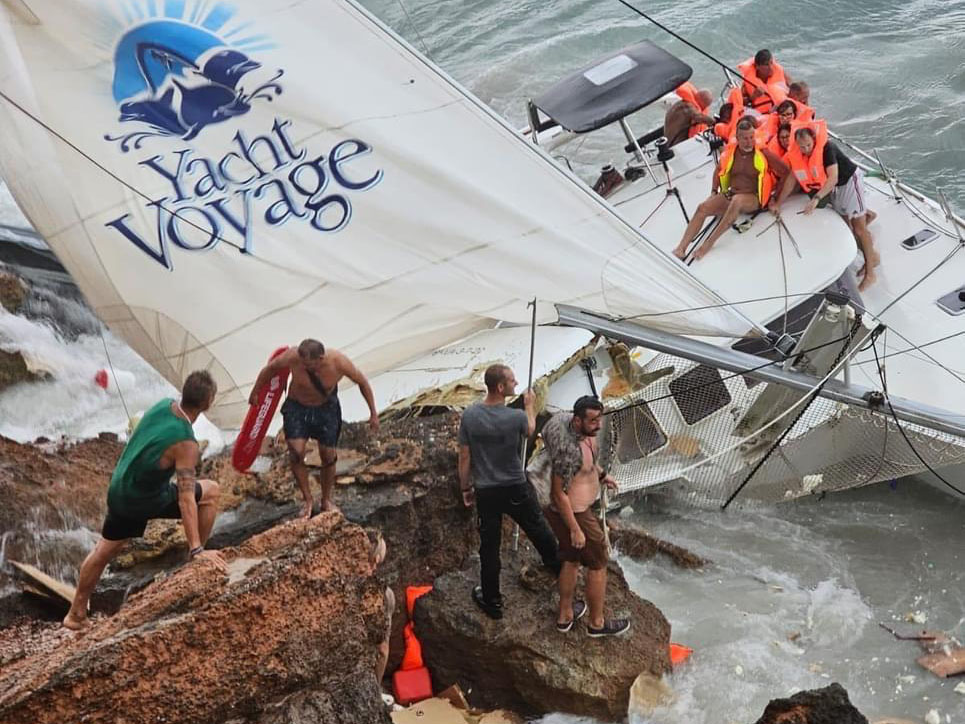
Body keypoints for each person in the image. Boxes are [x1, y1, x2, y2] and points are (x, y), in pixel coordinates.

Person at [63, 371, 226, 630]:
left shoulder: (163, 405)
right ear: (208, 403)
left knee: (104, 550)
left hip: (120, 486)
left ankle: (75, 614)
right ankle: (194, 563)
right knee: (211, 492)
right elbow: (186, 499)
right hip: (143, 499)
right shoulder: (187, 444)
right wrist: (197, 548)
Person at [458, 364, 560, 620]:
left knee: (489, 546)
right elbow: (529, 428)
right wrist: (529, 405)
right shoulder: (515, 417)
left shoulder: (470, 416)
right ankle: (557, 565)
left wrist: (465, 487)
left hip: (487, 490)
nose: (516, 385)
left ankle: (492, 601)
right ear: (501, 387)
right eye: (513, 382)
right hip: (516, 485)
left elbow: (464, 456)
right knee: (538, 527)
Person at [249, 339, 379, 518]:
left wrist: (373, 413)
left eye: (309, 365)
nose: (304, 367)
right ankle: (308, 500)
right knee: (296, 452)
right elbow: (270, 369)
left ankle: (326, 500)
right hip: (297, 407)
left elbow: (362, 381)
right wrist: (256, 391)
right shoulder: (293, 357)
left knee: (327, 454)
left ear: (320, 358)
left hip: (326, 408)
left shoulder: (338, 362)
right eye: (302, 363)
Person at [541, 396, 627, 637]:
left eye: (600, 419)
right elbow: (558, 493)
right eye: (592, 421)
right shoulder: (568, 452)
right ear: (577, 421)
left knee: (571, 559)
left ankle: (565, 615)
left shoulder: (564, 421)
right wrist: (575, 529)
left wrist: (601, 475)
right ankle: (597, 624)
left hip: (570, 513)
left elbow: (587, 465)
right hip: (576, 514)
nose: (598, 425)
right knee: (598, 564)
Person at [772, 121, 880, 290]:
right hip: (834, 189)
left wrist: (816, 199)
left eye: (808, 145)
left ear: (814, 140)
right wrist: (778, 202)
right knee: (846, 223)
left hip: (849, 182)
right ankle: (868, 229)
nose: (806, 149)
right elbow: (791, 179)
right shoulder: (798, 155)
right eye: (802, 147)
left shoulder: (827, 148)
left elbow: (833, 178)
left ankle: (871, 271)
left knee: (859, 228)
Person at [673, 117, 786, 260]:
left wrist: (776, 199)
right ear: (737, 137)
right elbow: (718, 170)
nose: (749, 141)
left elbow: (785, 173)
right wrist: (714, 191)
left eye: (752, 137)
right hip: (731, 193)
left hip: (753, 199)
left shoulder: (763, 153)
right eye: (745, 138)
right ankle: (681, 248)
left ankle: (708, 244)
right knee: (702, 208)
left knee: (737, 201)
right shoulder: (731, 152)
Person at [738, 49, 790, 113]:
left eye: (771, 63)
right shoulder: (748, 81)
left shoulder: (780, 73)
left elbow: (793, 91)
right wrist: (753, 97)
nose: (771, 67)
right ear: (757, 66)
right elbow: (740, 104)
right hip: (762, 116)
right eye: (766, 65)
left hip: (783, 113)